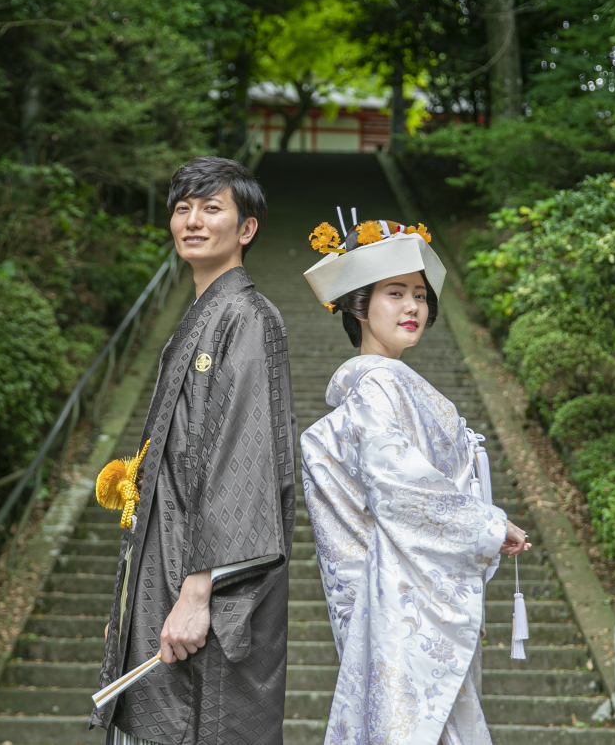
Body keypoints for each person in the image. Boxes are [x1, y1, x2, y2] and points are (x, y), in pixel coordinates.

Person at [299, 217, 531, 745]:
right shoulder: (379, 385)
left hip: (400, 591)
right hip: (404, 590)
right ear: (358, 306)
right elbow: (400, 486)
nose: (413, 307)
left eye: (421, 296)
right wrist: (487, 526)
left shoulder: (382, 386)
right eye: (395, 293)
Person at [90, 157, 297, 745]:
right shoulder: (199, 321)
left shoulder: (249, 318)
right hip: (166, 570)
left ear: (246, 229)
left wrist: (198, 593)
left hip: (202, 583)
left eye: (212, 208)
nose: (193, 221)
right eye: (183, 209)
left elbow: (244, 461)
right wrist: (131, 606)